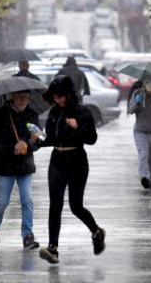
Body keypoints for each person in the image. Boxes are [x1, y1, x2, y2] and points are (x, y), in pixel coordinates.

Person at [36, 75, 105, 264]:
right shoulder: (54, 113)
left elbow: (92, 138)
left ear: (68, 95)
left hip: (77, 161)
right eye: (54, 97)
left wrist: (78, 127)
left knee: (76, 206)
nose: (57, 100)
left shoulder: (82, 112)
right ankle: (53, 248)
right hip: (57, 161)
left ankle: (96, 232)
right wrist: (37, 141)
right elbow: (50, 139)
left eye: (60, 96)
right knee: (55, 205)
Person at [0, 90, 41, 250]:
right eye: (20, 97)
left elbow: (40, 137)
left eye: (26, 97)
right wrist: (11, 149)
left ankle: (28, 236)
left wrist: (27, 146)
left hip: (25, 166)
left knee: (27, 200)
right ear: (12, 97)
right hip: (5, 166)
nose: (23, 100)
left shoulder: (32, 116)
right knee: (2, 203)